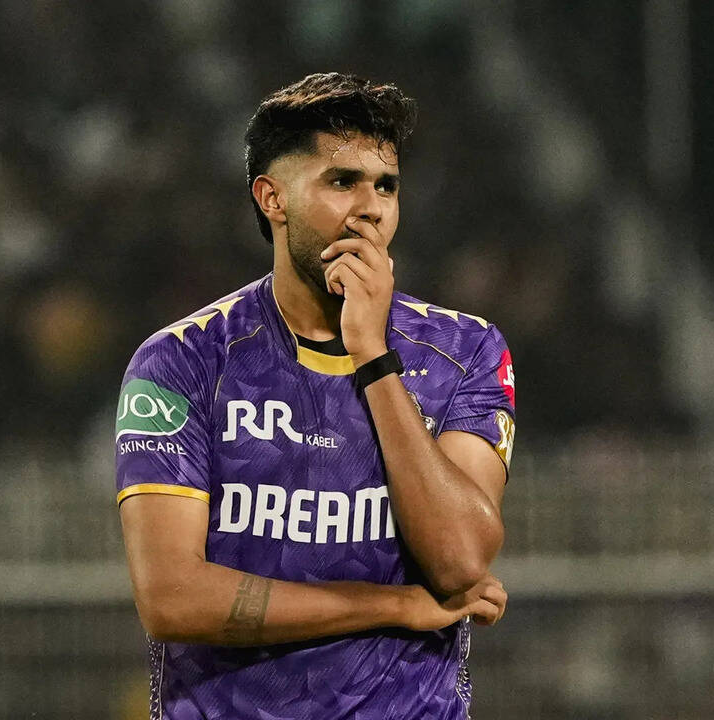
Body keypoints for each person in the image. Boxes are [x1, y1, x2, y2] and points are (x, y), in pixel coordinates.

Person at [115, 72, 515, 719]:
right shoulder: (182, 362)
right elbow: (172, 599)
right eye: (342, 181)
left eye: (386, 185)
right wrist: (393, 606)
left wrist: (373, 355)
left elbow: (463, 564)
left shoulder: (464, 352)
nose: (371, 207)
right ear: (272, 198)